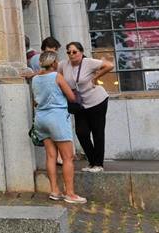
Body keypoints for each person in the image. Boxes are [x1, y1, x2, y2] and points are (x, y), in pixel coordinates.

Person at [33, 50, 86, 204]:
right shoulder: (57, 76)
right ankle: (70, 193)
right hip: (56, 117)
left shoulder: (36, 79)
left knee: (51, 156)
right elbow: (71, 97)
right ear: (54, 63)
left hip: (41, 118)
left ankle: (54, 190)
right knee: (67, 157)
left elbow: (35, 100)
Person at [61, 41, 113, 172]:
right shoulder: (64, 65)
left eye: (74, 52)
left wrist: (95, 77)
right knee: (81, 132)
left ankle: (98, 164)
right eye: (69, 52)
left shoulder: (88, 62)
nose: (71, 55)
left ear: (81, 52)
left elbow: (109, 65)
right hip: (80, 104)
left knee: (97, 132)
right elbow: (52, 73)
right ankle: (92, 161)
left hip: (97, 100)